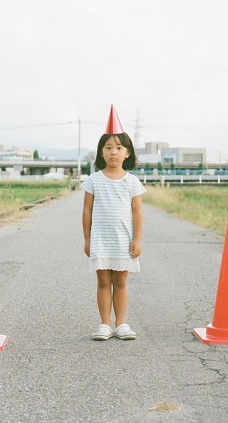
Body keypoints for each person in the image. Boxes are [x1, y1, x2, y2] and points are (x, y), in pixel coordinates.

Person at [82, 105, 146, 341]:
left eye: (119, 148)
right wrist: (87, 238)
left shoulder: (132, 182)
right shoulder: (93, 181)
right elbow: (87, 210)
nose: (113, 152)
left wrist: (137, 239)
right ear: (101, 152)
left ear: (127, 153)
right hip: (100, 239)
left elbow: (137, 212)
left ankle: (121, 324)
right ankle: (104, 325)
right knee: (102, 281)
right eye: (108, 147)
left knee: (120, 281)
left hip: (123, 240)